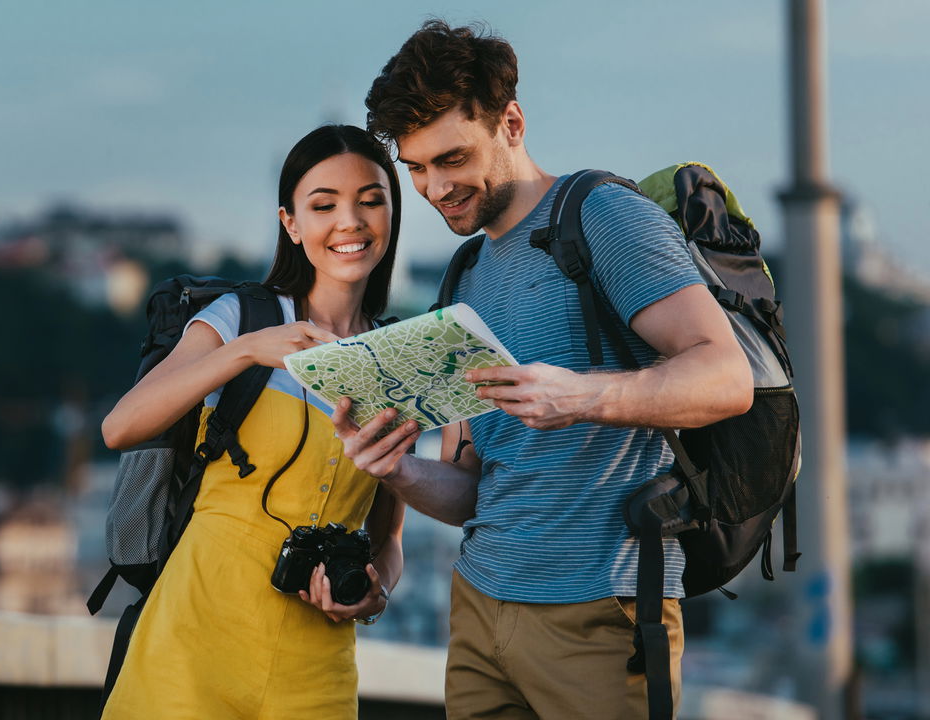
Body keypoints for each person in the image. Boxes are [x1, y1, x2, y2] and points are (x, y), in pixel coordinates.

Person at [332, 21, 754, 720]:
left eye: (452, 158)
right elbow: (469, 489)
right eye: (416, 168)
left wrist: (580, 397)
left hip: (601, 614)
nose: (435, 188)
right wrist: (395, 469)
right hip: (478, 611)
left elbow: (726, 377)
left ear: (512, 122)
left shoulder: (605, 218)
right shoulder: (463, 276)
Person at [100, 124, 407, 720]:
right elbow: (120, 427)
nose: (350, 222)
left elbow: (388, 536)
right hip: (191, 647)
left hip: (316, 670)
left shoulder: (396, 360)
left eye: (371, 200)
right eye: (324, 206)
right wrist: (245, 351)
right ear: (291, 224)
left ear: (392, 216)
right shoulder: (242, 316)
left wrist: (376, 593)